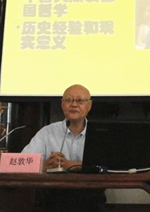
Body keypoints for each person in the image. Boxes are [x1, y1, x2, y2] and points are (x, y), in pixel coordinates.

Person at [21, 84, 105, 212]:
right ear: (62, 104)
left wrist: (70, 165)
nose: (74, 104)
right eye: (68, 100)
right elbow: (22, 162)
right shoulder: (47, 132)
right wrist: (43, 165)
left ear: (89, 105)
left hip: (92, 200)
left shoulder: (101, 132)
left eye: (80, 100)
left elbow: (110, 166)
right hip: (53, 200)